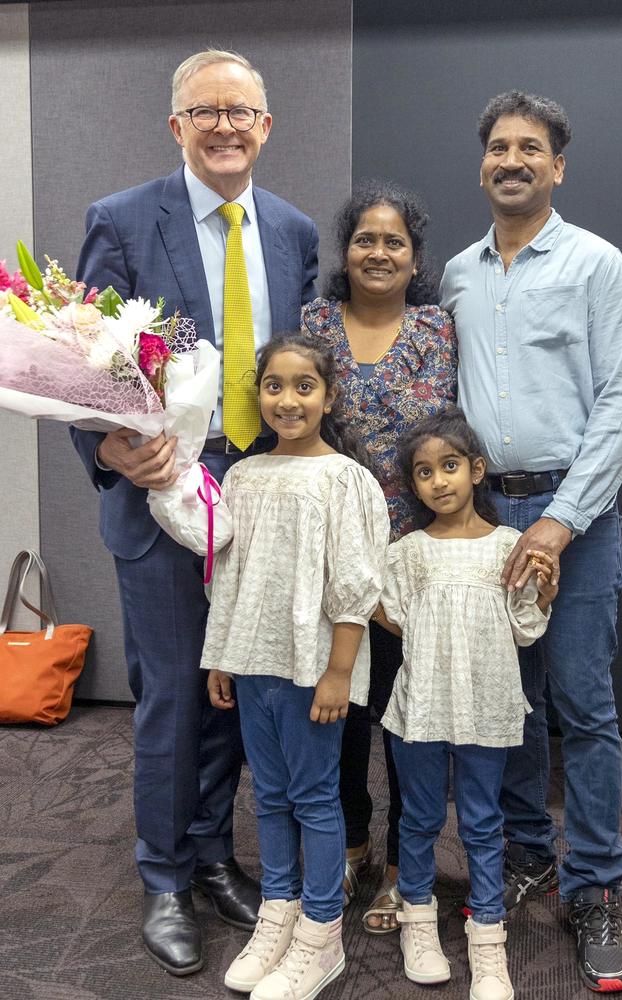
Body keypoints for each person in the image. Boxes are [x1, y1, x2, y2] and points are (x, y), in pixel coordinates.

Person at [70, 49, 318, 976]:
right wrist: (107, 447)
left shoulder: (292, 232)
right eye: (205, 111)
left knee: (234, 694)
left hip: (258, 503)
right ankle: (165, 876)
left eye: (241, 112)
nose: (225, 126)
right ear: (178, 127)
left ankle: (215, 855)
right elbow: (81, 360)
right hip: (162, 494)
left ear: (265, 127)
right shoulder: (125, 220)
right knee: (174, 696)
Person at [439, 90, 622, 993]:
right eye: (497, 147)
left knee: (582, 706)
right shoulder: (456, 273)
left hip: (577, 515)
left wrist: (561, 523)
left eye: (530, 147)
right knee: (507, 702)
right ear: (481, 165)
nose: (511, 160)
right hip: (483, 517)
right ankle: (530, 852)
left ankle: (596, 884)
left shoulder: (597, 265)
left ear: (557, 166)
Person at [201, 333, 390, 1000]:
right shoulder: (244, 477)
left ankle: (320, 932)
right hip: (254, 664)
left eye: (304, 386)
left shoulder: (346, 480)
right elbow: (227, 576)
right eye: (274, 385)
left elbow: (356, 587)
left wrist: (340, 672)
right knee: (272, 794)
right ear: (259, 394)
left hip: (315, 671)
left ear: (329, 395)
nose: (288, 399)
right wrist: (222, 655)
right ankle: (277, 913)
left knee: (314, 796)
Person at [301, 181, 456, 933]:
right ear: (346, 249)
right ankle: (353, 843)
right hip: (330, 557)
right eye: (366, 237)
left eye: (395, 241)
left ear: (415, 256)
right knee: (339, 714)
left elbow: (445, 438)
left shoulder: (436, 328)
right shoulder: (313, 323)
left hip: (407, 562)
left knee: (403, 721)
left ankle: (402, 868)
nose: (379, 251)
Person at [374, 408, 556, 1000]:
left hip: (487, 706)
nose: (439, 481)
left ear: (476, 470)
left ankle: (488, 940)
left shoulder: (509, 546)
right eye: (424, 473)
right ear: (415, 485)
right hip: (422, 705)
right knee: (420, 819)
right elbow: (396, 617)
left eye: (449, 466)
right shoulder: (408, 552)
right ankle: (418, 925)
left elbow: (525, 629)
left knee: (482, 824)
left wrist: (543, 589)